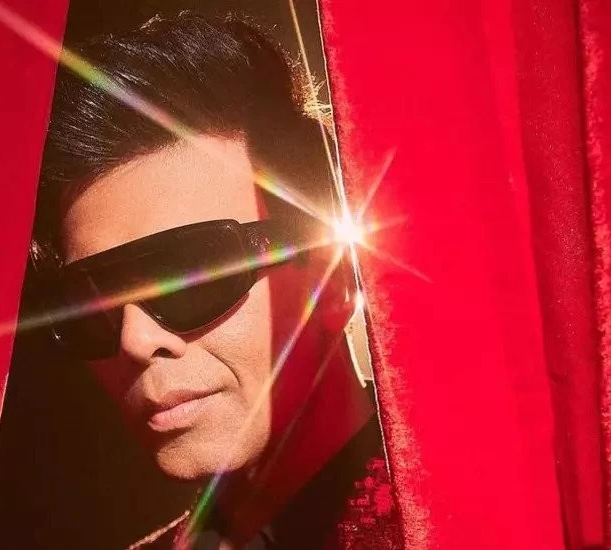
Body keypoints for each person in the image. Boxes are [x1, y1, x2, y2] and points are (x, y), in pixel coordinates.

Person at [31, 12, 400, 549]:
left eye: (188, 274)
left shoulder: (485, 519)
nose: (135, 339)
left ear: (332, 279)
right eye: (88, 300)